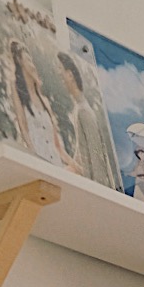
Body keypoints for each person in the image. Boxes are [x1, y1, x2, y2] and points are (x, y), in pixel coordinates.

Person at [56, 52, 116, 188]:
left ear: (70, 75)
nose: (59, 74)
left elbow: (97, 161)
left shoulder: (85, 112)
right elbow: (81, 161)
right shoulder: (78, 109)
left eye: (60, 69)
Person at [7, 40, 69, 168]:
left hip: (56, 164)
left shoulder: (43, 100)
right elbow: (23, 128)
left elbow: (57, 145)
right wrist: (33, 158)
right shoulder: (17, 91)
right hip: (38, 161)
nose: (32, 65)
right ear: (20, 61)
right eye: (28, 60)